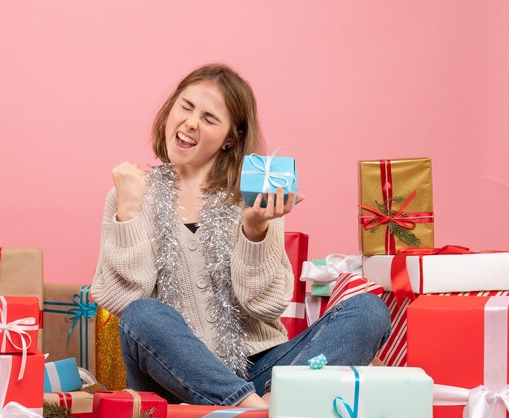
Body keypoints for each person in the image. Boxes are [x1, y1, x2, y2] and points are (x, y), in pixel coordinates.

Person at [91, 63, 391, 407]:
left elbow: (266, 305)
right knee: (143, 314)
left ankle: (265, 402)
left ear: (230, 138)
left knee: (368, 311)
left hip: (260, 369)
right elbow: (123, 298)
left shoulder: (253, 196)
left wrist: (255, 231)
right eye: (186, 107)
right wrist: (128, 213)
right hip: (172, 376)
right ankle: (260, 409)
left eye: (209, 118)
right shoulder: (130, 193)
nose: (191, 122)